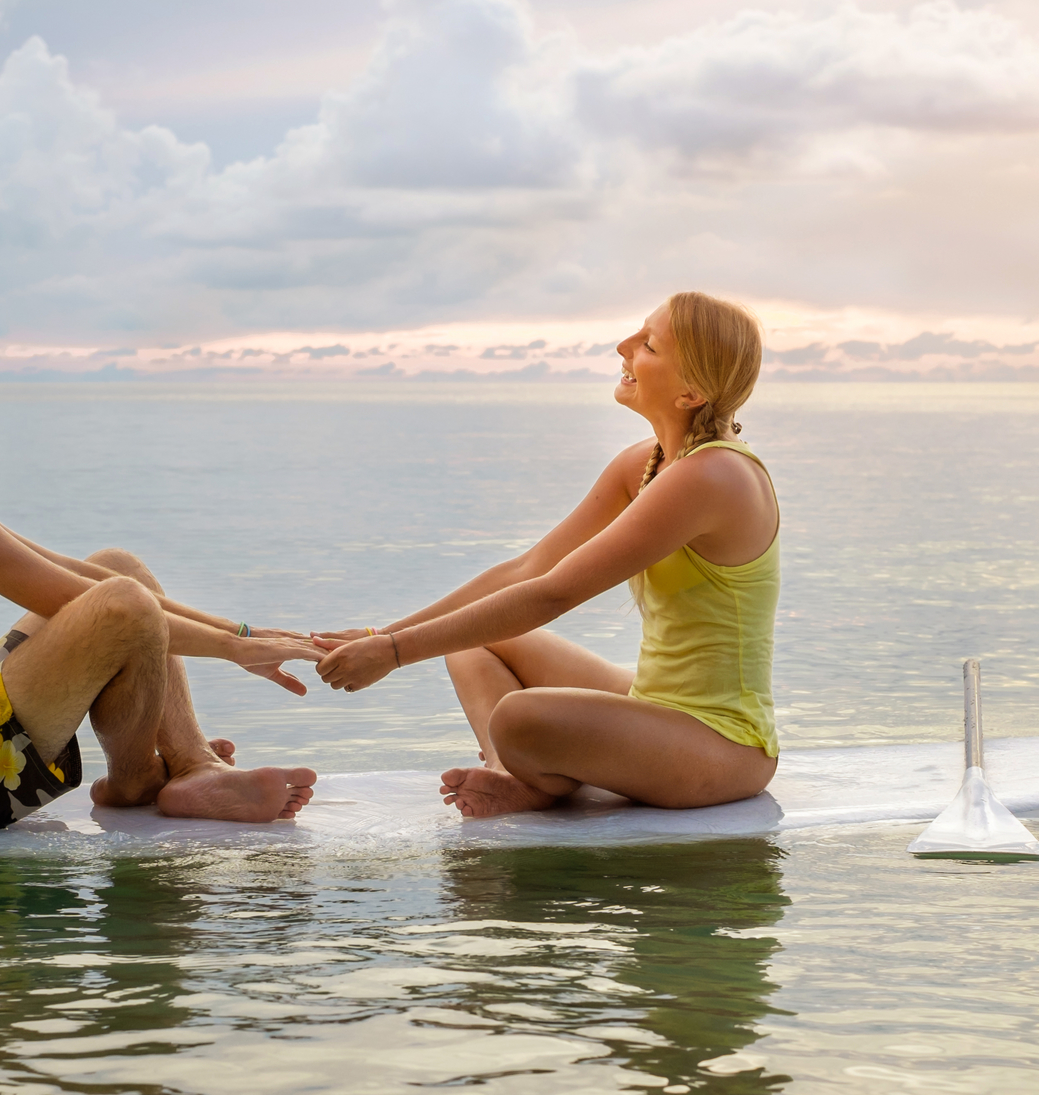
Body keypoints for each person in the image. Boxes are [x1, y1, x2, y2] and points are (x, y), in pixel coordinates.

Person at [0, 256, 318, 830]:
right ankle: (134, 782)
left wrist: (241, 632)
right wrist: (235, 650)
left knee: (119, 571)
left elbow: (73, 572)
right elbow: (70, 598)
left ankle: (192, 767)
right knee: (122, 603)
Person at [314, 292, 779, 818]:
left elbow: (553, 592)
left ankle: (522, 769)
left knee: (519, 717)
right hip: (654, 706)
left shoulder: (712, 476)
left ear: (690, 391)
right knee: (476, 641)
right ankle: (507, 772)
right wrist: (383, 636)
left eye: (647, 345)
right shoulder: (644, 464)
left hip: (725, 746)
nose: (622, 347)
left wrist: (396, 654)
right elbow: (526, 569)